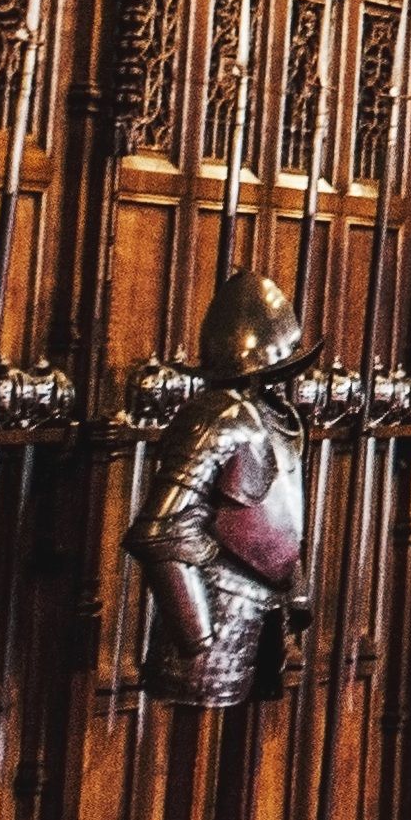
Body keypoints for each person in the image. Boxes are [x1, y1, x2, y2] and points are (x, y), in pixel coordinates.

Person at [131, 272, 316, 706]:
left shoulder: (275, 414)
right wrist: (197, 632)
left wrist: (295, 588)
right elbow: (161, 531)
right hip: (218, 603)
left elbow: (278, 519)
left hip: (268, 607)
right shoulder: (216, 416)